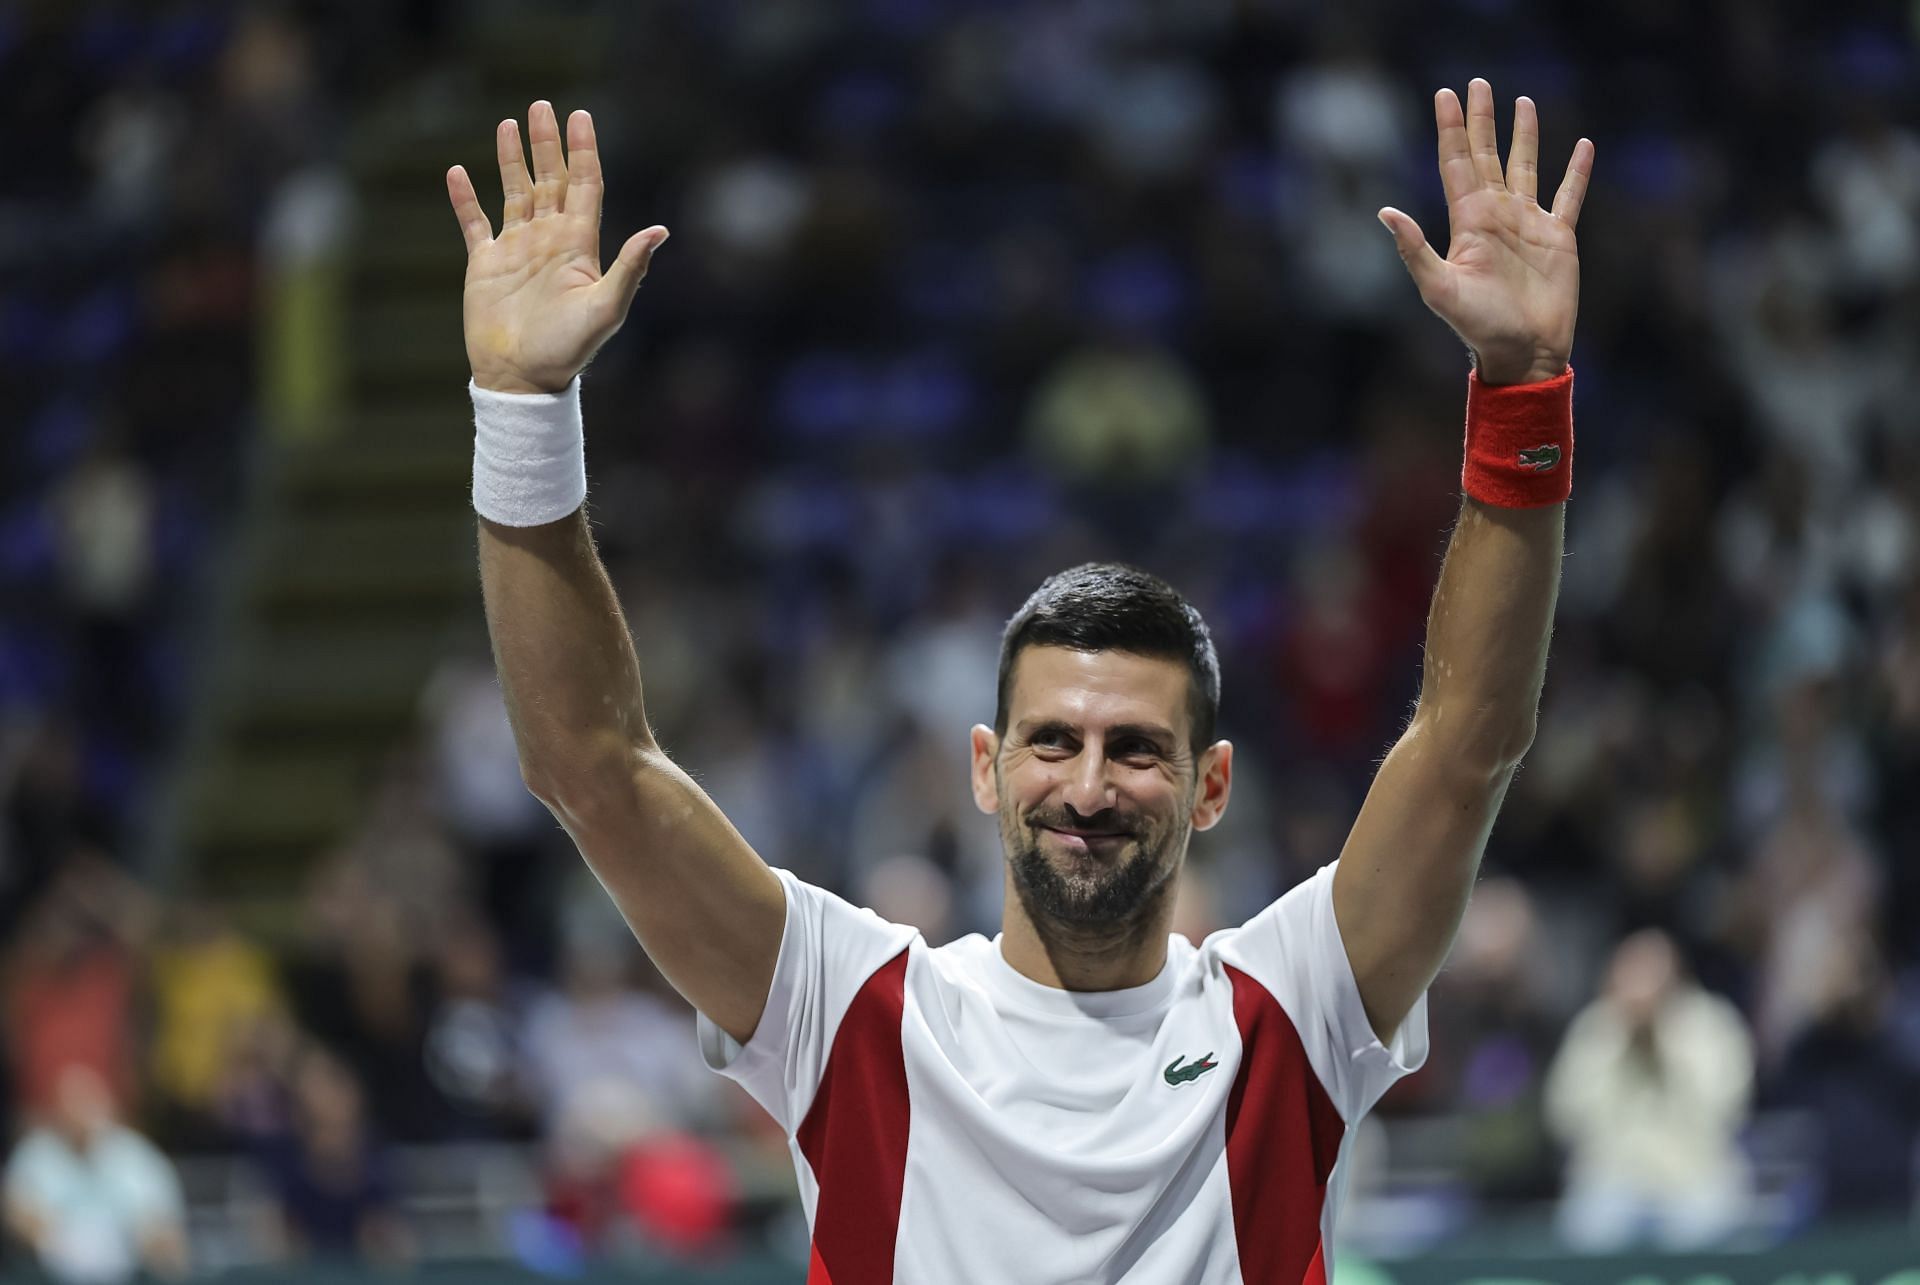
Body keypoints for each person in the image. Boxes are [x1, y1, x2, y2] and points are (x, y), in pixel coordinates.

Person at [444, 79, 1592, 1281]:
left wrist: (1520, 389)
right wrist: (523, 409)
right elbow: (591, 766)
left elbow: (1469, 742)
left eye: (1137, 749)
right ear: (986, 768)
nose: (1088, 784)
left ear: (1211, 787)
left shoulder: (1289, 1008)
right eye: (1053, 740)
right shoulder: (854, 1011)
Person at [1544, 929, 1755, 1250]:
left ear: (1675, 975)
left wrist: (1662, 1044)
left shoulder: (1711, 1022)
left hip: (1694, 1178)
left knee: (1712, 1218)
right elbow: (1563, 1116)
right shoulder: (1595, 1027)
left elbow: (1727, 1108)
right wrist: (1622, 1046)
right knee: (1588, 1225)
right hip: (1612, 1182)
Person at [3, 1064, 188, 1283]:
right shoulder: (35, 1154)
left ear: (107, 1105)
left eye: (86, 1103)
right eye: (70, 1104)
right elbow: (15, 1213)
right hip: (49, 1276)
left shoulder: (138, 1158)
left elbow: (169, 1234)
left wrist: (148, 1243)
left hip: (129, 1274)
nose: (79, 1113)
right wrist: (56, 1240)